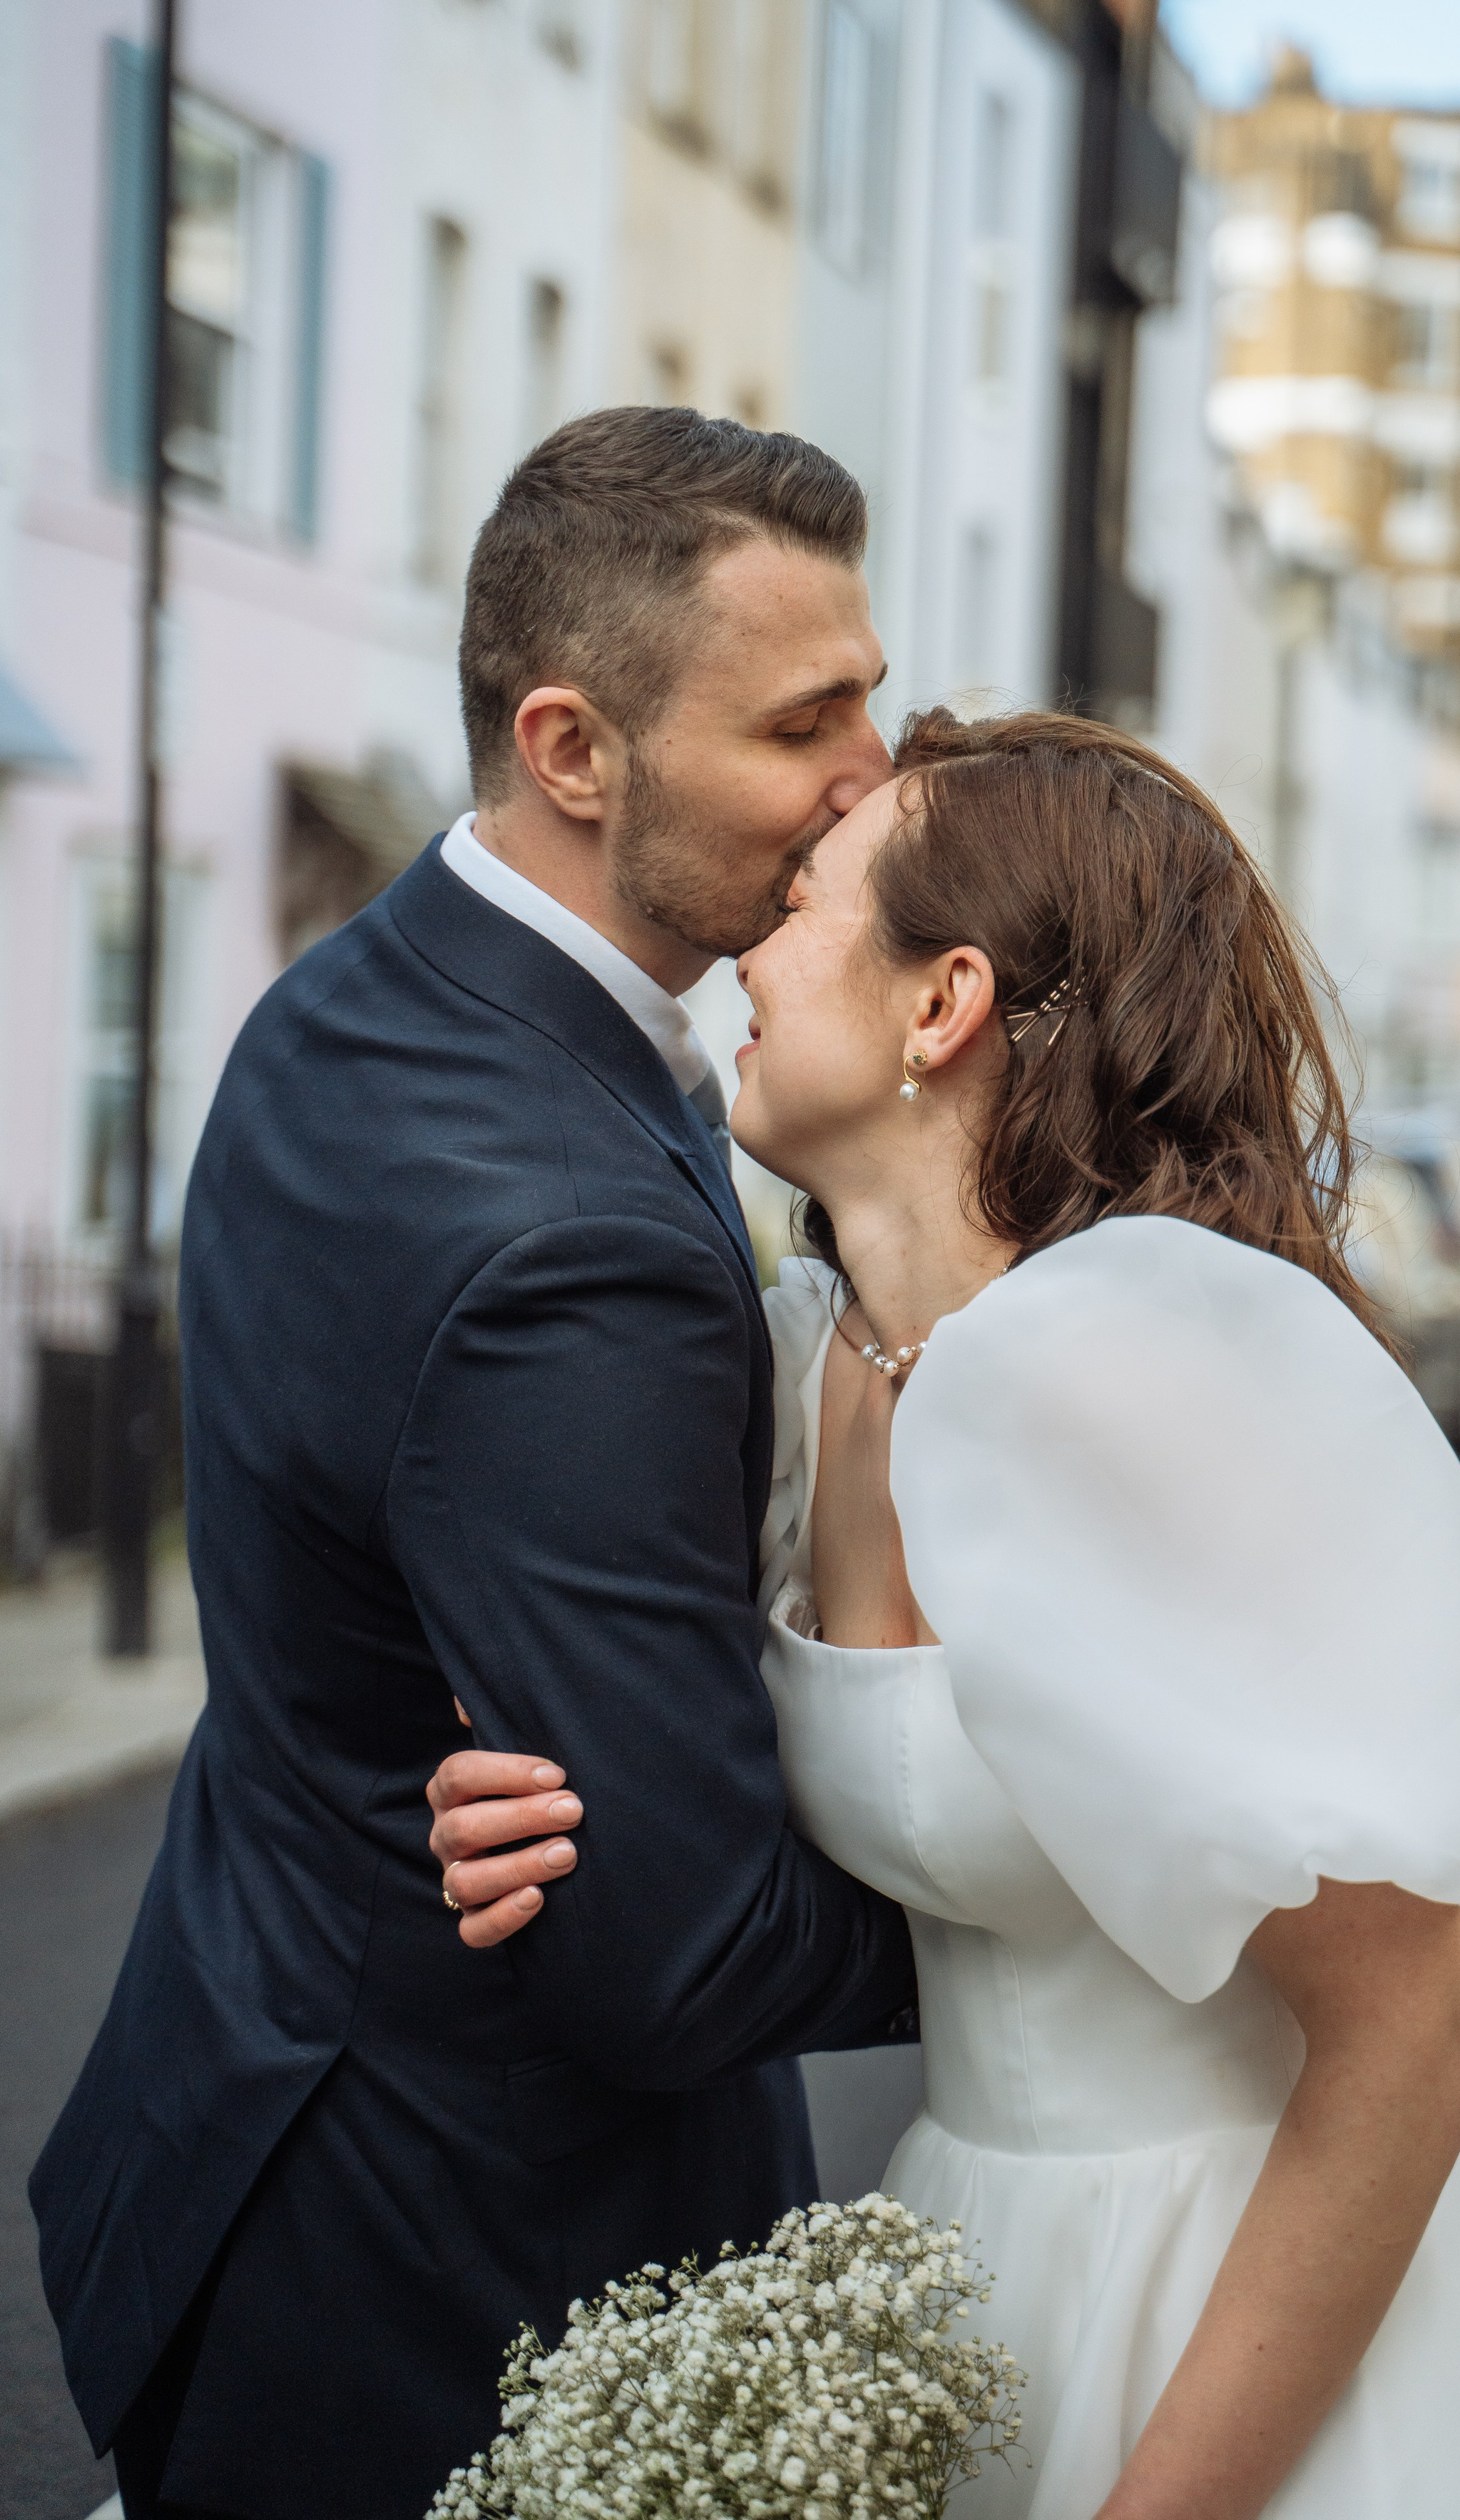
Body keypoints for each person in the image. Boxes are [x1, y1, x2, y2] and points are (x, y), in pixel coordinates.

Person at [434, 708, 1460, 2519]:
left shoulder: (1138, 1376)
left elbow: (1413, 2040)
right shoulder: (816, 1368)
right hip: (968, 2270)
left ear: (942, 1005)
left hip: (1255, 2329)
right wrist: (536, 1812)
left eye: (804, 903)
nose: (744, 949)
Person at [31, 410, 919, 2520]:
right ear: (574, 747)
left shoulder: (350, 1006)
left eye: (870, 693)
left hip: (259, 2100)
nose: (873, 770)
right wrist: (1065, 1902)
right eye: (808, 719)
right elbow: (677, 1947)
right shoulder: (562, 1240)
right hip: (460, 2278)